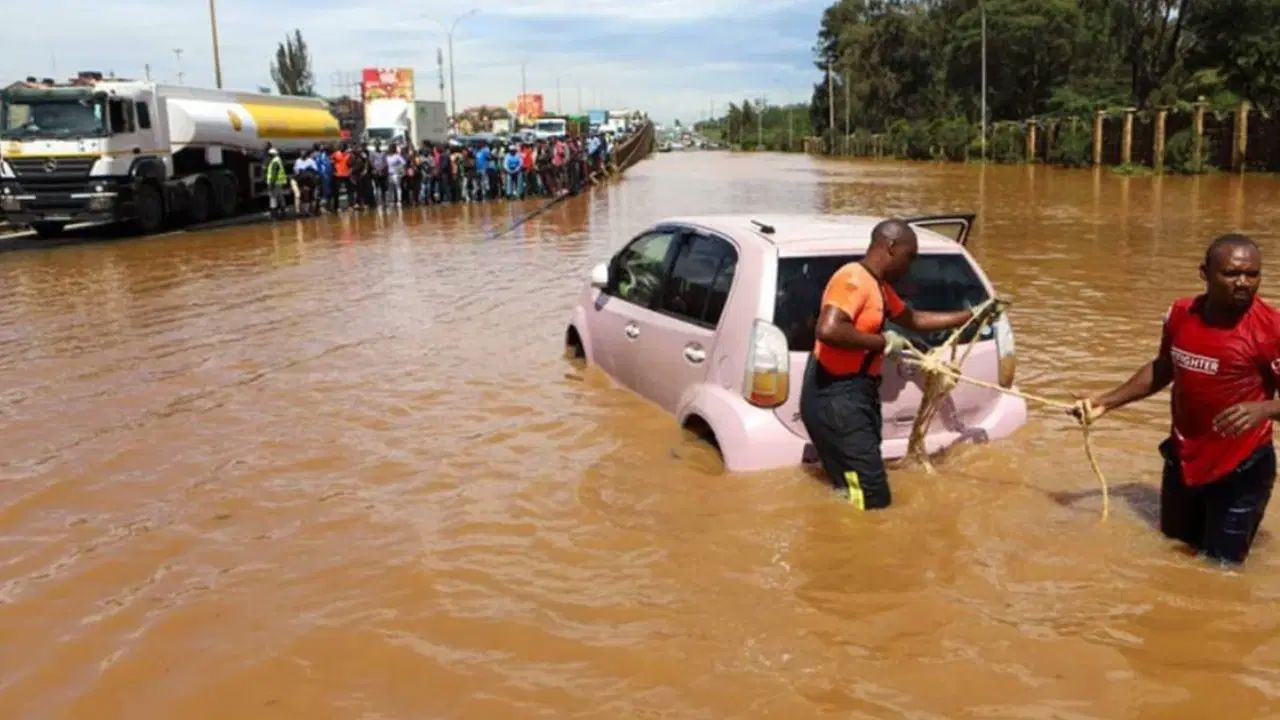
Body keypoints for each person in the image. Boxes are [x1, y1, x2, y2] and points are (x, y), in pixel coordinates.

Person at [1074, 234, 1280, 565]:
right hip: (1184, 459)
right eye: (1231, 273)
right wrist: (1106, 402)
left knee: (1219, 570)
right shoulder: (1181, 314)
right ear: (1205, 273)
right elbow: (1164, 367)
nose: (1243, 282)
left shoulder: (1271, 329)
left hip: (1241, 468)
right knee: (1172, 553)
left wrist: (1265, 408)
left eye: (1252, 274)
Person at [800, 219, 992, 509]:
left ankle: (839, 532)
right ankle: (860, 543)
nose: (910, 265)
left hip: (855, 394)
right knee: (873, 495)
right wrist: (884, 342)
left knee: (852, 485)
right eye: (909, 256)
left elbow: (915, 320)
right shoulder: (852, 278)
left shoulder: (879, 287)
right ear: (890, 247)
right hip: (836, 397)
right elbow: (828, 330)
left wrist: (973, 315)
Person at [265, 147, 288, 218]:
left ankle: (274, 214)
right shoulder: (278, 160)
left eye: (269, 154)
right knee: (280, 197)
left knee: (273, 198)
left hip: (274, 183)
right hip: (279, 182)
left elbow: (274, 173)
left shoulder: (274, 161)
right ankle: (283, 212)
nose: (268, 156)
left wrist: (271, 184)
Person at [331, 143, 352, 211]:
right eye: (342, 147)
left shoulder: (349, 155)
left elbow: (350, 164)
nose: (343, 148)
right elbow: (331, 161)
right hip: (338, 175)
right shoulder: (336, 153)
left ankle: (349, 206)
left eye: (344, 147)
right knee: (337, 192)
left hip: (346, 174)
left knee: (349, 191)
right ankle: (336, 207)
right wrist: (334, 169)